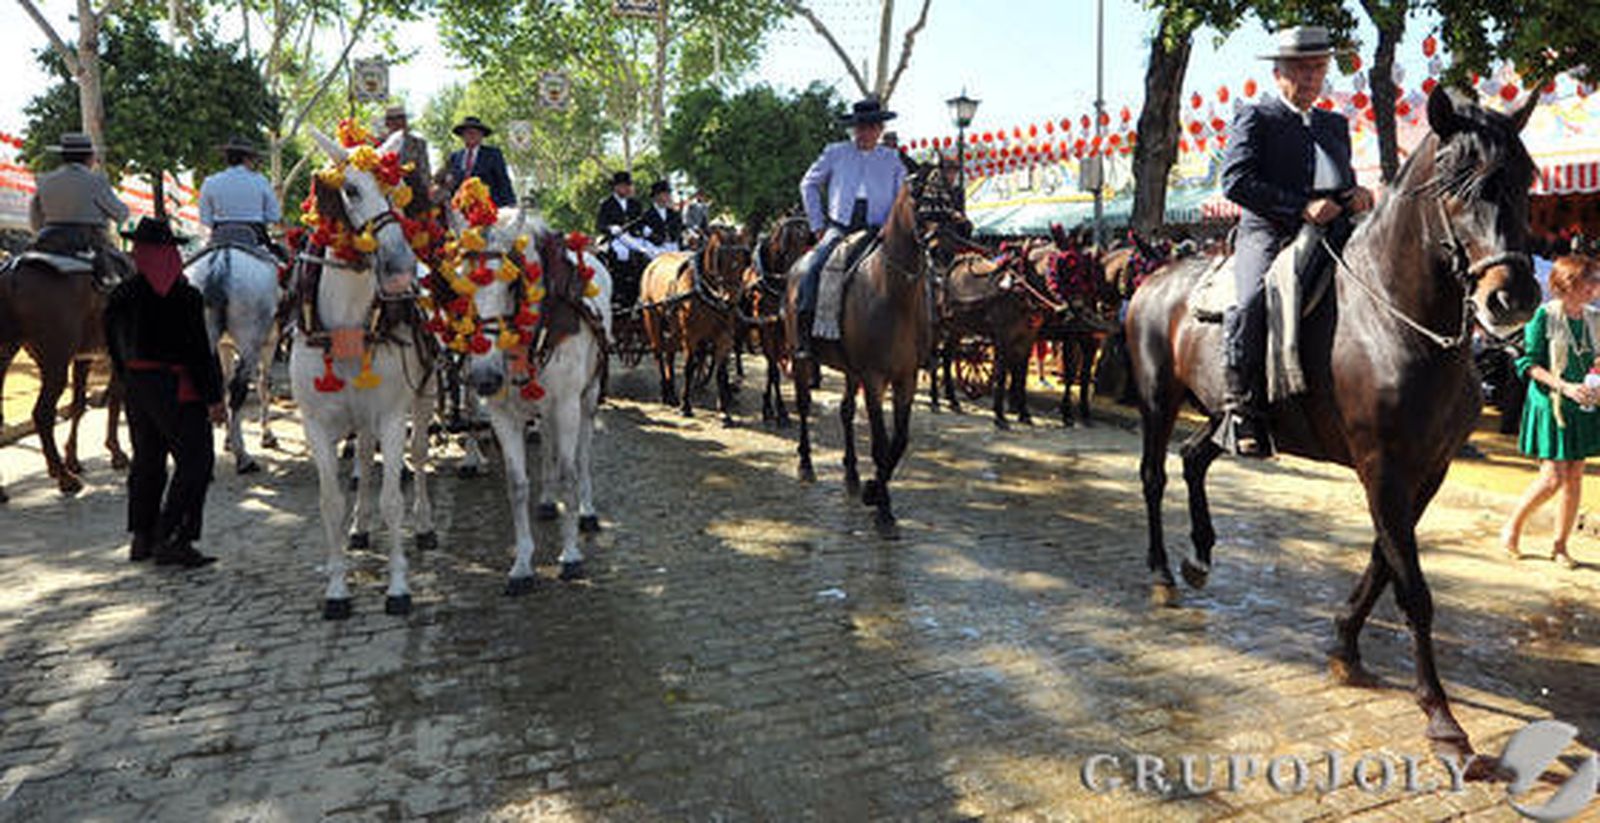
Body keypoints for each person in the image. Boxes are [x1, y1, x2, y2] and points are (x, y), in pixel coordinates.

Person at [1218, 25, 1375, 457]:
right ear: (1279, 73)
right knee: (1251, 300)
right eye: (1303, 70)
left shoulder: (1334, 124)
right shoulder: (1257, 116)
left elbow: (1340, 179)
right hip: (1270, 230)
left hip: (1335, 229)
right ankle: (1242, 406)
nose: (1312, 79)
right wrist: (1298, 207)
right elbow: (1235, 181)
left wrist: (1355, 194)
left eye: (1319, 69)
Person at [104, 217, 226, 568]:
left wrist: (125, 381)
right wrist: (214, 397)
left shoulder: (121, 294)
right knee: (197, 459)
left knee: (147, 459)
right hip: (176, 386)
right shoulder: (185, 296)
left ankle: (142, 535)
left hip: (136, 386)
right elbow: (197, 351)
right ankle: (173, 536)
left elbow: (112, 346)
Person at [1501, 256, 1600, 570]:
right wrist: (1564, 387)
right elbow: (1528, 364)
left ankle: (1560, 546)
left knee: (1574, 477)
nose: (1596, 288)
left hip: (1583, 404)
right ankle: (1513, 526)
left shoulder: (1593, 319)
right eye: (1590, 282)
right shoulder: (1542, 316)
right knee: (1553, 478)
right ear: (1569, 283)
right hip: (1551, 402)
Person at [796, 97, 907, 360]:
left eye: (871, 127)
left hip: (880, 229)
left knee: (917, 267)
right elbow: (807, 185)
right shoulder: (835, 152)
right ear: (853, 129)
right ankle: (805, 337)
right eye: (860, 127)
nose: (865, 132)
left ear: (880, 130)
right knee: (814, 267)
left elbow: (904, 195)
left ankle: (924, 338)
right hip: (840, 227)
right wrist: (818, 224)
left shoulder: (892, 159)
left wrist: (891, 224)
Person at [28, 131, 130, 280]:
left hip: (49, 238)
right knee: (126, 271)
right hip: (90, 240)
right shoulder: (97, 181)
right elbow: (121, 215)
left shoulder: (44, 180)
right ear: (89, 157)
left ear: (63, 157)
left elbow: (35, 219)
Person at [197, 136, 281, 249]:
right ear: (246, 159)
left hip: (220, 237)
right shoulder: (261, 181)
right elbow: (274, 216)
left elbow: (206, 220)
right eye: (253, 159)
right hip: (255, 238)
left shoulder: (210, 182)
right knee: (281, 261)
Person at [596, 171, 645, 306]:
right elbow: (600, 224)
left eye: (628, 186)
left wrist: (644, 230)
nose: (627, 189)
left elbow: (641, 221)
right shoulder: (606, 204)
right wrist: (611, 228)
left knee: (646, 252)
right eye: (624, 186)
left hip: (633, 237)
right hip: (616, 238)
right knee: (621, 254)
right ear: (616, 187)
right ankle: (620, 292)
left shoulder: (635, 204)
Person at [446, 116, 515, 208]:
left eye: (476, 132)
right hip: (460, 210)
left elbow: (503, 181)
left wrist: (510, 204)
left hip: (488, 209)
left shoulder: (493, 154)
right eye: (468, 132)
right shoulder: (454, 157)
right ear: (462, 135)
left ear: (482, 135)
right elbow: (450, 185)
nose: (472, 135)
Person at [384, 105, 433, 217]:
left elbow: (424, 170)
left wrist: (426, 189)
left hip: (413, 192)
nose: (397, 122)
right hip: (387, 193)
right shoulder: (380, 143)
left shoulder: (418, 143)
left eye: (400, 118)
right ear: (387, 123)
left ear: (405, 121)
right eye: (392, 119)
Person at [640, 179, 684, 251]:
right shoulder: (646, 215)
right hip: (655, 248)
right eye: (664, 194)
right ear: (656, 196)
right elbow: (647, 234)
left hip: (674, 246)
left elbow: (679, 230)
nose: (668, 196)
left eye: (668, 193)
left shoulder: (674, 214)